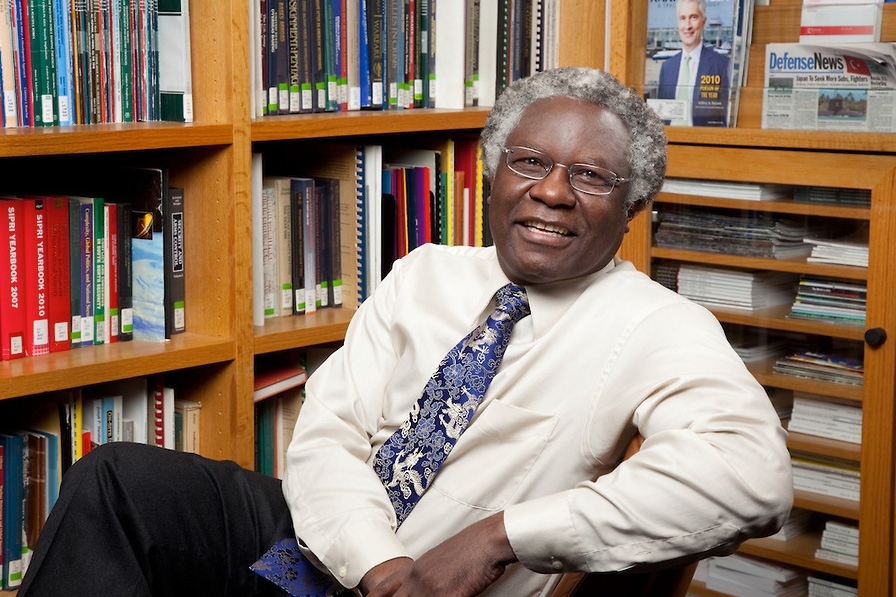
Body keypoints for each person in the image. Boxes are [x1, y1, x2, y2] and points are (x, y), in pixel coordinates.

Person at [19, 67, 791, 597]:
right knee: (118, 480)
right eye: (530, 162)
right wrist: (374, 560)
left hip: (448, 573)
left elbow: (753, 479)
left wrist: (502, 535)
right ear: (495, 177)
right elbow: (329, 432)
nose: (552, 192)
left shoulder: (656, 324)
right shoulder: (428, 271)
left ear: (631, 208)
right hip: (335, 536)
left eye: (591, 175)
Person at [657, 0, 731, 126]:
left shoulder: (721, 65)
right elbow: (660, 117)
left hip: (701, 142)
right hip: (671, 141)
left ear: (703, 22)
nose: (687, 26)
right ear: (678, 22)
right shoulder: (667, 67)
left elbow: (722, 121)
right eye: (682, 18)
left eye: (693, 17)